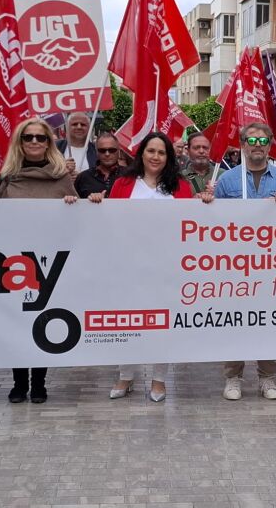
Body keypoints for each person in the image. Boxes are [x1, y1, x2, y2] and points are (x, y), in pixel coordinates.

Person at [0, 117, 88, 404]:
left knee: (42, 321)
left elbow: (80, 222)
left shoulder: (61, 177)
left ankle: (39, 383)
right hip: (16, 263)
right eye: (28, 137)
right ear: (20, 142)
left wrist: (72, 205)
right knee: (17, 322)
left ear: (49, 143)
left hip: (50, 262)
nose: (34, 142)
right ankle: (19, 383)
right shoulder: (7, 177)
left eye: (41, 138)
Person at [108, 132, 211, 402]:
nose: (155, 157)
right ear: (141, 153)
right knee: (127, 321)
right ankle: (125, 376)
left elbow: (191, 224)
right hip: (128, 267)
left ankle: (159, 379)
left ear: (169, 157)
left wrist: (205, 205)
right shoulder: (122, 184)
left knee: (162, 324)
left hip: (167, 268)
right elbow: (108, 222)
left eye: (161, 152)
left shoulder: (180, 187)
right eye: (151, 151)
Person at [214, 122, 276, 401]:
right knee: (235, 319)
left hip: (272, 265)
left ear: (270, 145)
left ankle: (267, 377)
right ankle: (233, 377)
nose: (257, 145)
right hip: (235, 265)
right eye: (251, 140)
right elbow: (212, 222)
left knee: (268, 320)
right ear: (242, 144)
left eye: (263, 140)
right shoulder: (227, 181)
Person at [74, 132, 122, 199]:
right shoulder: (83, 177)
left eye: (112, 150)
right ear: (96, 152)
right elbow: (74, 205)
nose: (107, 154)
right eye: (102, 150)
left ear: (118, 151)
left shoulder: (130, 176)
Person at [55, 112, 96, 176]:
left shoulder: (97, 150)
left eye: (83, 124)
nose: (79, 127)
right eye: (74, 124)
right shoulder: (55, 147)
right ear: (67, 127)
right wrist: (63, 173)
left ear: (89, 128)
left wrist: (81, 178)